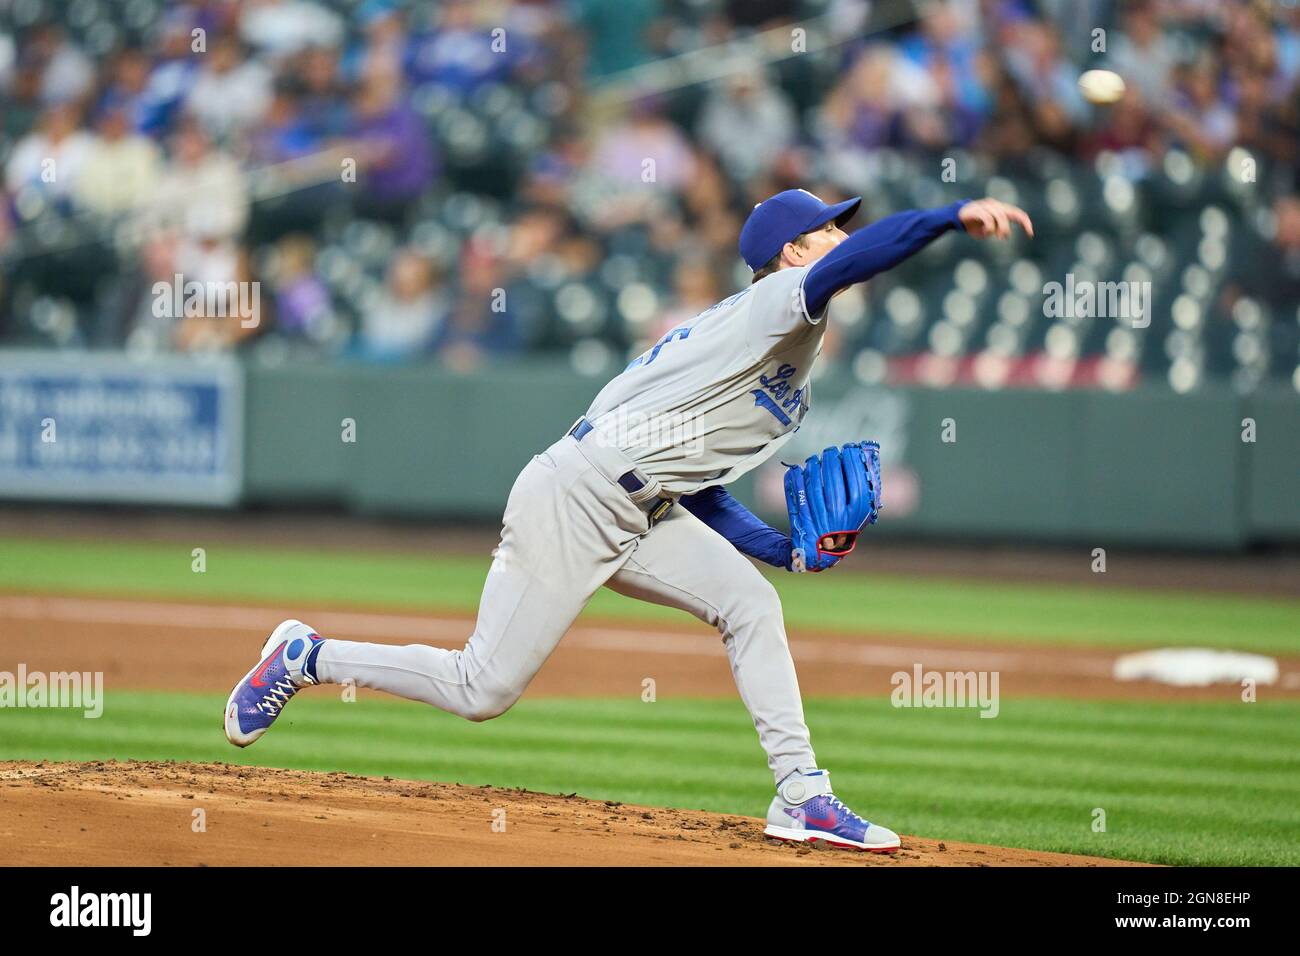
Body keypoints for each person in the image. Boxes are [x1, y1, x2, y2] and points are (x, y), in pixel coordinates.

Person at [224, 189, 1032, 852]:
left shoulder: (785, 366)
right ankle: (307, 656)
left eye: (838, 230)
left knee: (751, 604)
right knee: (483, 689)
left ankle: (803, 797)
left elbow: (704, 491)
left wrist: (782, 550)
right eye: (825, 230)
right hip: (576, 496)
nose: (839, 239)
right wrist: (948, 219)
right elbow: (859, 261)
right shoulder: (773, 308)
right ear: (792, 254)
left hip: (645, 504)